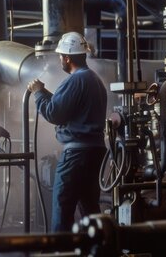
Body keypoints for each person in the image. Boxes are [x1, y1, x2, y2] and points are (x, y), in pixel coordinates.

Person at [26, 32, 107, 232]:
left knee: (62, 211)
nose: (60, 59)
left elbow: (54, 113)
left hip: (76, 156)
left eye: (60, 56)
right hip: (94, 152)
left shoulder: (75, 80)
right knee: (90, 211)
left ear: (67, 58)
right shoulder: (93, 80)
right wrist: (44, 92)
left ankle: (60, 251)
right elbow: (68, 106)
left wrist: (37, 93)